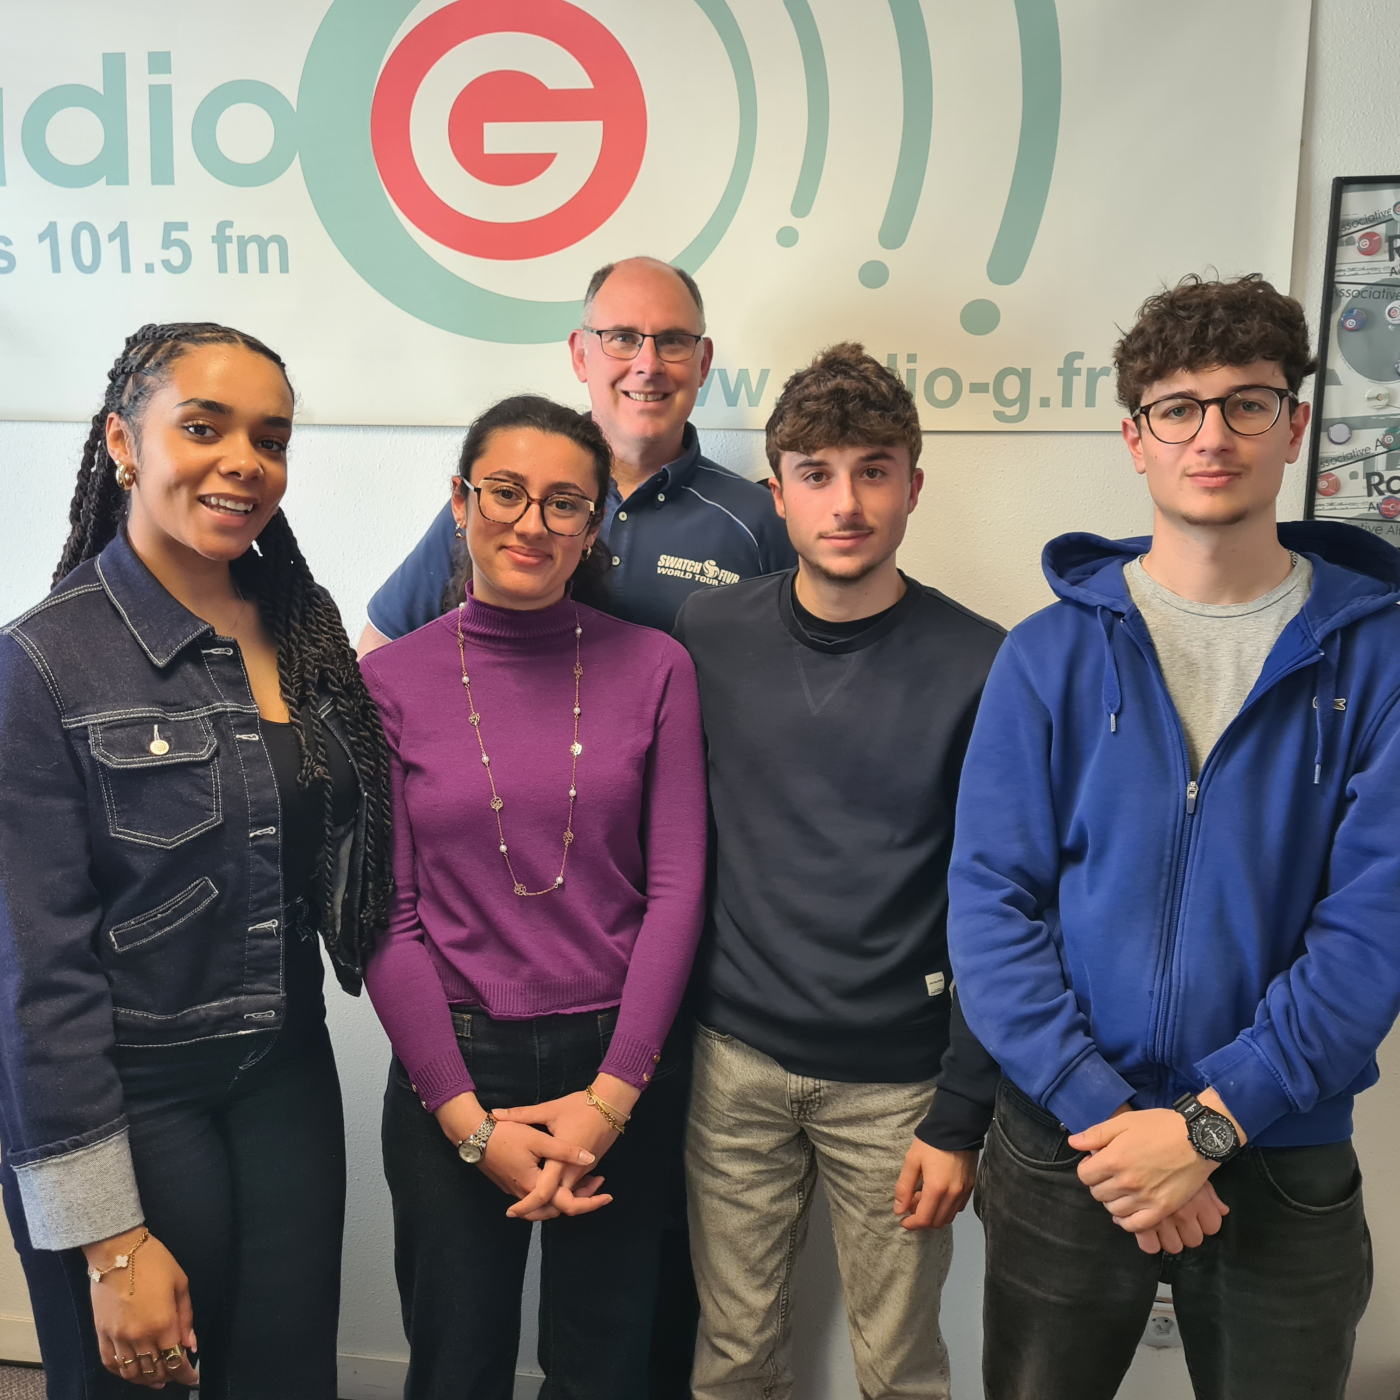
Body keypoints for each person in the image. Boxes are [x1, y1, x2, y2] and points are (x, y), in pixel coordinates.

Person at [948, 273, 1400, 1399]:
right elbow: (991, 906)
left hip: (1281, 1145)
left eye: (1247, 402)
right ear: (1134, 437)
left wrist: (1206, 1125)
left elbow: (1374, 930)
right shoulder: (1044, 655)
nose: (1212, 435)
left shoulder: (1380, 659)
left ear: (1293, 424)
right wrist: (1113, 1118)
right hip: (1070, 1139)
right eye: (1178, 407)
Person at [0, 323, 393, 1395]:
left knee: (285, 1374)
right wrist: (108, 1240)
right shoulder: (41, 663)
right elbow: (35, 978)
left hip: (284, 1072)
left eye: (270, 439)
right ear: (123, 443)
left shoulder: (299, 625)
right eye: (204, 428)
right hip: (129, 1094)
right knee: (138, 1380)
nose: (244, 462)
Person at [359, 395, 707, 1400]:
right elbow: (389, 916)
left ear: (594, 525)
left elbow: (677, 889)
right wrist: (468, 1123)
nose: (531, 523)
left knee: (605, 1368)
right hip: (455, 1063)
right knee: (455, 1365)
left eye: (564, 503)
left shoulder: (657, 667)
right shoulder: (388, 682)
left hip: (620, 1058)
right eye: (504, 492)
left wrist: (611, 1098)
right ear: (459, 501)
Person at [673, 344, 1004, 1399]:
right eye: (815, 473)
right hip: (734, 1063)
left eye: (873, 470)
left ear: (913, 484)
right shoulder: (708, 630)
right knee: (732, 1357)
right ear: (777, 494)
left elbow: (1001, 900)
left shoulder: (983, 661)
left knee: (899, 1368)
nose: (847, 502)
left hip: (899, 1083)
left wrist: (960, 1110)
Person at [358, 256, 795, 650]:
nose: (648, 365)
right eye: (622, 338)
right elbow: (380, 652)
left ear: (703, 363)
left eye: (674, 341)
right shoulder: (500, 498)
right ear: (580, 354)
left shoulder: (762, 521)